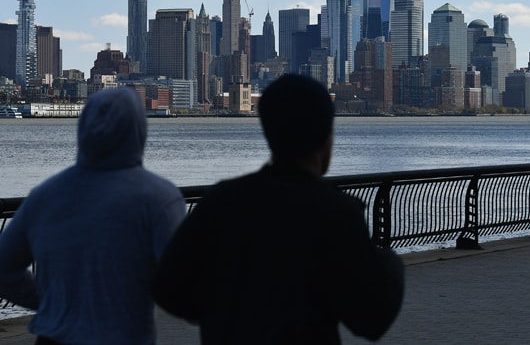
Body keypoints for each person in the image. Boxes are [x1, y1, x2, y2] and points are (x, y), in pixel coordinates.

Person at [153, 74, 404, 344]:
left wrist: (218, 313)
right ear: (325, 136)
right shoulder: (336, 212)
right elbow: (371, 319)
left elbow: (168, 287)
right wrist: (389, 263)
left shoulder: (222, 201)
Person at [0, 87, 186, 345]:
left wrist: (47, 302)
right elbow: (180, 284)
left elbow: (4, 267)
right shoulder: (160, 198)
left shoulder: (45, 195)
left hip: (54, 336)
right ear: (137, 130)